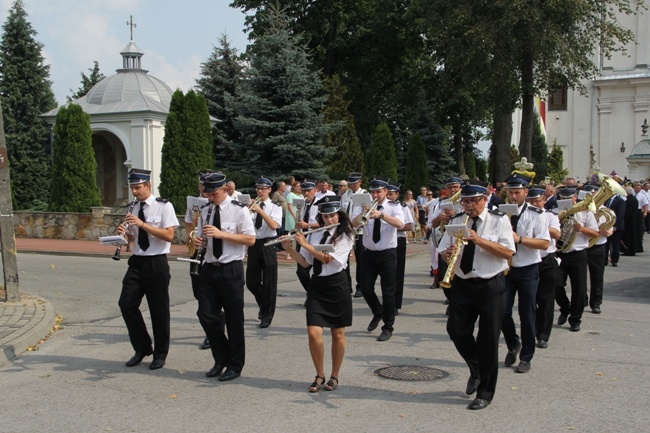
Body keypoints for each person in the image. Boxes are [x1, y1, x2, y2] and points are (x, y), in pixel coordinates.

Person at [438, 180, 515, 410]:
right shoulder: (455, 221)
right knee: (456, 329)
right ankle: (477, 368)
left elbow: (508, 252)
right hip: (463, 281)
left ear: (484, 199)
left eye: (473, 201)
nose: (469, 205)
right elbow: (443, 250)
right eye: (465, 201)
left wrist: (478, 239)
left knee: (488, 339)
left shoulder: (499, 220)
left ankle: (485, 393)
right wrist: (447, 253)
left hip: (490, 283)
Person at [282, 196, 355, 393]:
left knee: (337, 333)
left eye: (332, 215)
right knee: (314, 333)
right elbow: (306, 263)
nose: (329, 220)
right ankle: (319, 374)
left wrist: (304, 244)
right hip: (317, 286)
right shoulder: (315, 235)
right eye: (325, 216)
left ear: (339, 215)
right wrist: (290, 248)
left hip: (337, 286)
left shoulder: (345, 236)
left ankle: (334, 376)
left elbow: (328, 259)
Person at [194, 172, 256, 382]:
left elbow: (250, 239)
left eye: (213, 193)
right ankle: (221, 358)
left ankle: (235, 365)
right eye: (207, 193)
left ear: (225, 190)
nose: (210, 197)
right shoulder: (205, 210)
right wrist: (198, 241)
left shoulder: (239, 211)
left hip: (231, 269)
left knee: (234, 319)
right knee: (206, 315)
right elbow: (201, 235)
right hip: (209, 267)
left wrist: (222, 234)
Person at [117, 168, 179, 370]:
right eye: (132, 188)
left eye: (138, 187)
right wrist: (124, 236)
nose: (134, 192)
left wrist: (143, 225)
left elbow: (169, 235)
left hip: (156, 262)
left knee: (158, 309)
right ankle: (143, 347)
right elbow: (133, 239)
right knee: (126, 304)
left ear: (148, 185)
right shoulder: (132, 207)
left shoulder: (164, 206)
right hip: (137, 261)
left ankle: (160, 354)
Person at [501, 174, 550, 373]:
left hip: (528, 268)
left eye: (517, 192)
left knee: (527, 314)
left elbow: (544, 243)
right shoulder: (501, 213)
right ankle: (514, 344)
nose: (513, 196)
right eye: (510, 192)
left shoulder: (536, 214)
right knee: (502, 311)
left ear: (525, 193)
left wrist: (519, 239)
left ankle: (526, 356)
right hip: (506, 268)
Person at [351, 176, 404, 342]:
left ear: (386, 192)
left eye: (378, 192)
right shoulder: (364, 206)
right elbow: (353, 224)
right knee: (365, 288)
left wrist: (381, 215)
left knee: (388, 292)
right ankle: (377, 311)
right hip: (369, 253)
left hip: (388, 253)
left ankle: (388, 326)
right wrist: (362, 213)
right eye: (373, 192)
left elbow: (400, 224)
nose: (375, 195)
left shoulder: (394, 206)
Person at [555, 186, 599, 333]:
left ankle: (575, 319)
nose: (566, 201)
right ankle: (565, 307)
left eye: (569, 198)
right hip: (560, 253)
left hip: (578, 254)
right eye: (563, 198)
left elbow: (595, 233)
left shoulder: (585, 213)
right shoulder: (555, 212)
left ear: (575, 197)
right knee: (556, 284)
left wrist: (582, 229)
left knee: (579, 289)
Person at [525, 186, 560, 349]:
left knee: (546, 300)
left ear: (544, 201)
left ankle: (543, 334)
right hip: (530, 261)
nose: (534, 203)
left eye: (537, 201)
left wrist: (539, 225)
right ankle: (531, 330)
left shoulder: (550, 215)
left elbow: (556, 234)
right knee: (530, 299)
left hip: (547, 260)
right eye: (531, 201)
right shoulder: (524, 215)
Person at [246, 176, 283, 328]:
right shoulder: (251, 206)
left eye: (262, 189)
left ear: (269, 190)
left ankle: (267, 316)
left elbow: (274, 226)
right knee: (251, 282)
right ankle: (263, 305)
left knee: (269, 282)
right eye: (258, 188)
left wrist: (260, 211)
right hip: (254, 243)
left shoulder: (275, 207)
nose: (259, 191)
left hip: (269, 243)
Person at [183, 170, 213, 350]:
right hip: (197, 250)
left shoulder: (217, 202)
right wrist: (189, 235)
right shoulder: (194, 201)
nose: (202, 187)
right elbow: (188, 220)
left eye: (205, 184)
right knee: (197, 292)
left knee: (207, 295)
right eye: (201, 183)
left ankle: (211, 331)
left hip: (212, 252)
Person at [429, 177, 463, 305]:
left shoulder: (466, 202)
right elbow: (433, 224)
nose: (453, 190)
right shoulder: (442, 204)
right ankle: (451, 298)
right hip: (446, 240)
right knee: (443, 273)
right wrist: (440, 217)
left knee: (459, 274)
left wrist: (455, 215)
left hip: (461, 240)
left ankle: (456, 302)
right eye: (450, 187)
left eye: (455, 187)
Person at [583, 183, 614, 314]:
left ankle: (596, 303)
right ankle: (582, 299)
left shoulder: (606, 211)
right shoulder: (581, 209)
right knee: (580, 276)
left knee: (597, 276)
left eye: (594, 194)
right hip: (583, 246)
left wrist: (607, 231)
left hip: (598, 246)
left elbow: (610, 230)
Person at [387, 182, 413, 315]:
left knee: (397, 273)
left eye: (391, 194)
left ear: (397, 194)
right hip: (386, 243)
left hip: (398, 240)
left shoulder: (403, 207)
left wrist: (393, 226)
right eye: (387, 194)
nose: (389, 196)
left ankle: (395, 304)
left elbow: (409, 226)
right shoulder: (382, 207)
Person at [340, 172, 368, 298]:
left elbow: (367, 213)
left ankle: (361, 287)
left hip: (360, 231)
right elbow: (341, 210)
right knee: (344, 259)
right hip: (346, 230)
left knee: (360, 261)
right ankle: (346, 286)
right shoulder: (345, 194)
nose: (352, 185)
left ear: (360, 182)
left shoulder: (365, 195)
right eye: (350, 183)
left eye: (354, 183)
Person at [295, 179, 320, 292]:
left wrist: (308, 225)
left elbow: (325, 223)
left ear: (314, 191)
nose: (306, 193)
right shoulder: (302, 204)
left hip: (316, 239)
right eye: (304, 191)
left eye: (308, 191)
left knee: (317, 271)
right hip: (303, 239)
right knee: (301, 271)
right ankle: (311, 292)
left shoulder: (320, 204)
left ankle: (315, 294)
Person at [605, 189, 626, 267]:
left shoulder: (620, 201)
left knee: (615, 244)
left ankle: (614, 260)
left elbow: (620, 215)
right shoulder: (606, 200)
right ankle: (605, 260)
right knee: (606, 244)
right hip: (607, 226)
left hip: (616, 226)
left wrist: (615, 226)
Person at [621, 186, 641, 255]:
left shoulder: (629, 200)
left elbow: (627, 212)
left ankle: (628, 250)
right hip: (634, 220)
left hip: (629, 221)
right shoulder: (634, 199)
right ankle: (631, 250)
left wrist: (624, 220)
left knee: (628, 237)